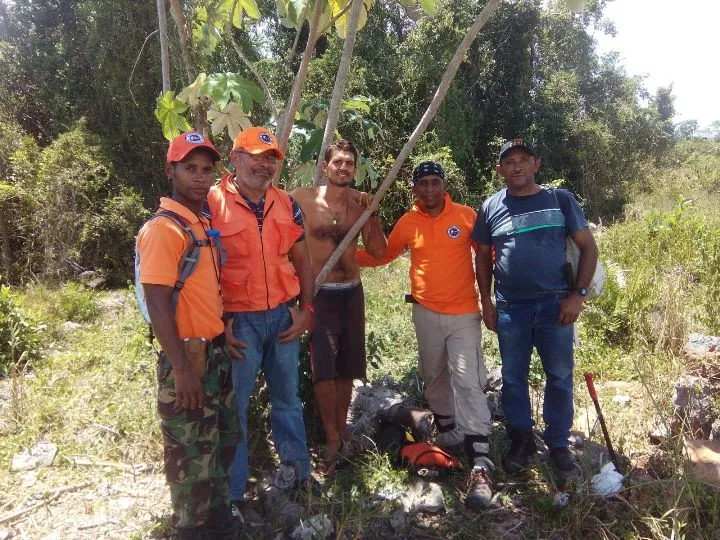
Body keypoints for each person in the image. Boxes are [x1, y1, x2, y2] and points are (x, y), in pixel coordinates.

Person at [357, 161, 495, 510]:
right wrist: (343, 255)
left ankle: (480, 456)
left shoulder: (466, 216)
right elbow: (382, 256)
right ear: (414, 188)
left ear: (444, 184)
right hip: (425, 312)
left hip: (464, 312)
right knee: (433, 374)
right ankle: (449, 434)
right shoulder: (408, 222)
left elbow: (488, 256)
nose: (430, 190)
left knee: (467, 379)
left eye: (436, 183)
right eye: (424, 184)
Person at [136, 131, 243, 539]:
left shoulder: (200, 223)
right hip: (187, 357)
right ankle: (192, 529)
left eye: (206, 170)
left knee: (220, 443)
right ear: (171, 171)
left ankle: (218, 523)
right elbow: (158, 302)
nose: (200, 178)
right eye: (189, 169)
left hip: (213, 353)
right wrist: (180, 368)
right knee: (190, 455)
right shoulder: (164, 229)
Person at [472, 138, 599, 477]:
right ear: (500, 169)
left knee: (559, 376)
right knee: (513, 378)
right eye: (509, 161)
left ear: (536, 164)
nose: (517, 166)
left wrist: (578, 295)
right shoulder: (490, 207)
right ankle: (521, 439)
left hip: (556, 304)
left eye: (524, 160)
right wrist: (486, 300)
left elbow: (588, 248)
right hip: (511, 307)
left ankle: (558, 443)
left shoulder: (560, 199)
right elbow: (482, 256)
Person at [206, 127, 314, 507]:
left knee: (288, 399)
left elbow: (303, 261)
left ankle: (299, 474)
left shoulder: (287, 203)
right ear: (235, 158)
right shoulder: (210, 203)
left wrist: (306, 311)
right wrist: (219, 320)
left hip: (283, 319)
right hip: (238, 323)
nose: (264, 165)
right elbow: (202, 269)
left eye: (271, 158)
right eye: (256, 155)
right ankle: (234, 493)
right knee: (235, 407)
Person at [290, 140, 386, 476]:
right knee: (325, 368)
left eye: (349, 163)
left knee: (347, 366)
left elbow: (376, 251)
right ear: (326, 165)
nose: (343, 168)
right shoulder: (302, 199)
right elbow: (282, 238)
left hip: (352, 293)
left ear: (354, 169)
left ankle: (343, 429)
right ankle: (331, 437)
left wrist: (373, 214)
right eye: (338, 162)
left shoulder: (361, 205)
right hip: (321, 293)